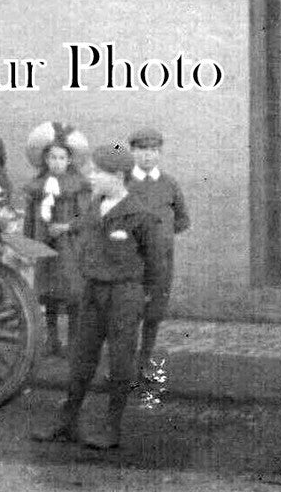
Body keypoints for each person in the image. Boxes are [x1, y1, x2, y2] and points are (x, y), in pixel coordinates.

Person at [32, 144, 165, 450]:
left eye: (98, 172)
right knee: (81, 359)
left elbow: (156, 267)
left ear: (117, 176)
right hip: (92, 293)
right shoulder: (95, 207)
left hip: (124, 295)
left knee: (120, 363)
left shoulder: (140, 215)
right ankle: (67, 422)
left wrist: (143, 304)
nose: (91, 176)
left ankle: (112, 428)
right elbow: (82, 228)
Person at [126, 127, 190, 381]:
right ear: (132, 151)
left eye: (153, 151)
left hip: (161, 260)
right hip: (131, 260)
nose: (148, 156)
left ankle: (143, 365)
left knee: (154, 313)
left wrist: (160, 238)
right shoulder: (125, 183)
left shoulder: (169, 183)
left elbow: (182, 220)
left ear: (160, 153)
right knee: (129, 313)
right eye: (142, 150)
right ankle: (124, 367)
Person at [23, 123, 90, 358]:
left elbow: (86, 217)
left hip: (70, 246)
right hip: (44, 244)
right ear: (45, 159)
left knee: (72, 294)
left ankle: (74, 342)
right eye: (52, 157)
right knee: (48, 294)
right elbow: (31, 218)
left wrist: (66, 226)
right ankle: (52, 340)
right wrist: (29, 244)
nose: (57, 162)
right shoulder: (38, 186)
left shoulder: (78, 186)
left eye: (62, 158)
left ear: (69, 160)